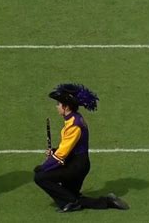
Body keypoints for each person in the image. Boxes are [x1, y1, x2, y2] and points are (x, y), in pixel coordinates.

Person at [34, 83, 129, 212]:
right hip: (78, 163)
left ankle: (70, 203)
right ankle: (108, 201)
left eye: (58, 104)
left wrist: (44, 167)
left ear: (66, 106)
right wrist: (55, 151)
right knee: (72, 196)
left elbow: (62, 155)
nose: (57, 107)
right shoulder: (75, 118)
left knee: (40, 177)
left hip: (75, 167)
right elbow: (70, 146)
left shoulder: (73, 125)